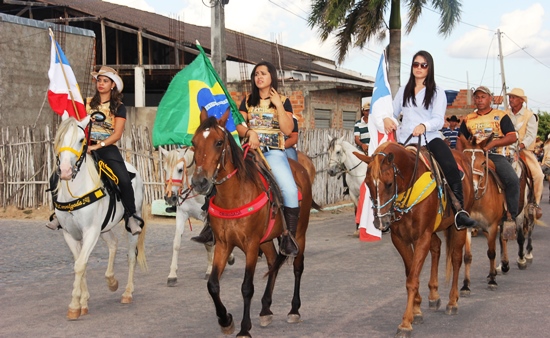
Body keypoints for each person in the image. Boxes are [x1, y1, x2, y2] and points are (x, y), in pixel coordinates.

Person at [383, 50, 476, 230]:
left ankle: (459, 211)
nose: (419, 68)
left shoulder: (437, 92)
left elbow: (438, 119)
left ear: (429, 68)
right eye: (416, 64)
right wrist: (388, 119)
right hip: (404, 140)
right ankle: (385, 212)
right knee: (382, 170)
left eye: (423, 65)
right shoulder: (404, 90)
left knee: (450, 166)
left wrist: (424, 126)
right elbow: (393, 114)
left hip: (429, 138)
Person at [46, 66, 143, 235]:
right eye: (99, 80)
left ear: (113, 85)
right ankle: (58, 214)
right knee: (55, 177)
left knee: (124, 179)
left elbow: (117, 134)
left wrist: (98, 146)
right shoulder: (85, 103)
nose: (101, 84)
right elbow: (75, 123)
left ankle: (131, 215)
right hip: (83, 146)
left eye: (105, 81)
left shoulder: (119, 107)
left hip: (106, 148)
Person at [237, 61, 300, 257]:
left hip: (273, 152)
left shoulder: (284, 100)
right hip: (248, 151)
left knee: (289, 189)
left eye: (263, 73)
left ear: (272, 76)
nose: (259, 77)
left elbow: (288, 130)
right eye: (256, 74)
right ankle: (210, 226)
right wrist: (249, 132)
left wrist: (279, 106)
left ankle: (288, 236)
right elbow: (238, 125)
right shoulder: (247, 100)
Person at [456, 85, 519, 237]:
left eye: (483, 97)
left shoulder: (500, 115)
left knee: (512, 179)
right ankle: (459, 213)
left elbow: (512, 136)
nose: (479, 100)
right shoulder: (468, 118)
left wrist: (493, 144)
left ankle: (511, 215)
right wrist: (459, 157)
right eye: (477, 97)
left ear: (490, 98)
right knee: (457, 179)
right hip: (473, 156)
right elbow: (460, 139)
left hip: (495, 155)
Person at [506, 87, 543, 214]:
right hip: (505, 149)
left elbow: (531, 135)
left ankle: (535, 204)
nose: (510, 99)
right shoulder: (504, 114)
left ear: (521, 100)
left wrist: (520, 146)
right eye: (510, 97)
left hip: (524, 151)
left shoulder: (530, 116)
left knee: (538, 175)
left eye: (514, 97)